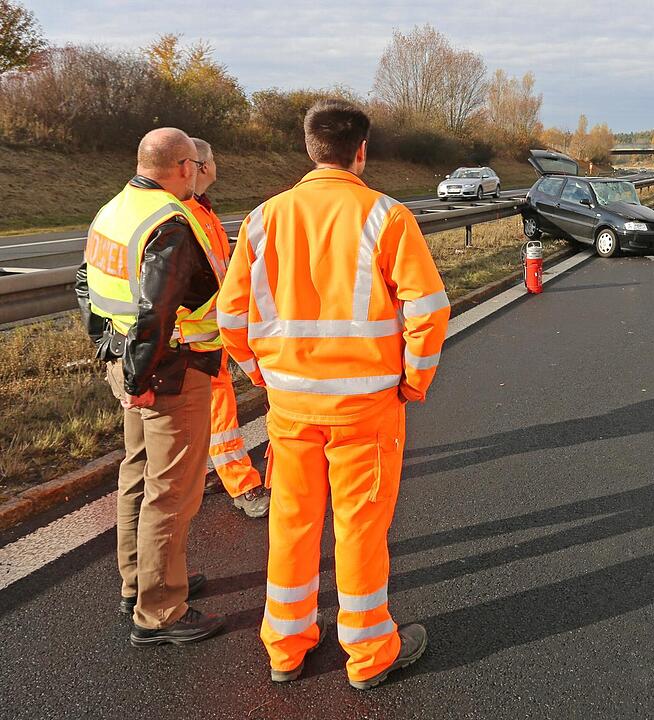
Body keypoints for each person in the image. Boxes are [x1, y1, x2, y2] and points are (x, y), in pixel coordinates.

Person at [217, 99, 450, 689]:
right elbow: (429, 310)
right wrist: (413, 381)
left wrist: (260, 374)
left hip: (291, 409)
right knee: (360, 528)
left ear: (308, 147)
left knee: (291, 526)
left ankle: (286, 648)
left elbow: (231, 316)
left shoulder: (263, 218)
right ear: (361, 152)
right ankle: (369, 652)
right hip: (366, 409)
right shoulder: (387, 216)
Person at [74, 127, 225, 645]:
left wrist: (110, 351)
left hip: (127, 361)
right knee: (172, 491)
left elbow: (86, 285)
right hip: (167, 372)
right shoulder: (170, 222)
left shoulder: (112, 210)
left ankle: (137, 582)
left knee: (137, 472)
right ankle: (159, 610)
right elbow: (158, 311)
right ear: (185, 166)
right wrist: (142, 377)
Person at [184, 138, 270, 519]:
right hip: (196, 335)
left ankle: (205, 470)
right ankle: (242, 483)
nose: (218, 165)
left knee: (201, 411)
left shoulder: (199, 209)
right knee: (220, 412)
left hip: (202, 330)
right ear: (201, 167)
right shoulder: (187, 213)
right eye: (214, 159)